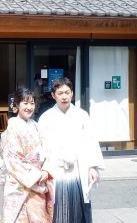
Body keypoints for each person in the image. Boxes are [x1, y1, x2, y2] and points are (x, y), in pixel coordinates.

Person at [38, 77, 104, 223]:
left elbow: (91, 142)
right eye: (60, 93)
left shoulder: (82, 116)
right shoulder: (45, 118)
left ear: (72, 94)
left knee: (78, 207)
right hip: (55, 170)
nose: (64, 96)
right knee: (57, 208)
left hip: (77, 169)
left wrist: (93, 167)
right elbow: (40, 148)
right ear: (53, 95)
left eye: (67, 92)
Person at [0, 87, 54, 222]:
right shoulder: (11, 128)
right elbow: (13, 160)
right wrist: (37, 175)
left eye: (32, 103)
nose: (29, 107)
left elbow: (47, 151)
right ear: (17, 105)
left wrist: (46, 170)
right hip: (20, 184)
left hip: (39, 181)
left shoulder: (37, 126)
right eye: (25, 103)